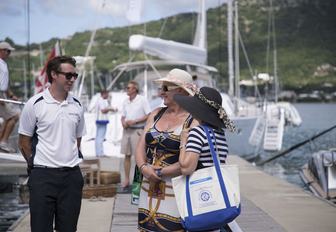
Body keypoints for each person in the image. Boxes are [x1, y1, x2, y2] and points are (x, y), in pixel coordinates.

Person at [18, 55, 86, 232]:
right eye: (68, 75)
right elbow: (23, 141)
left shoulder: (77, 105)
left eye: (75, 76)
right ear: (54, 74)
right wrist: (35, 165)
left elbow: (77, 141)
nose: (72, 79)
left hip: (71, 177)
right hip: (43, 177)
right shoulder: (35, 104)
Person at [135, 68, 197, 231]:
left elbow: (191, 159)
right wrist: (143, 169)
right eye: (160, 88)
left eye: (165, 88)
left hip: (176, 188)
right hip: (148, 185)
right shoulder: (156, 113)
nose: (160, 92)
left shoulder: (193, 120)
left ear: (180, 91)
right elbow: (140, 146)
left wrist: (160, 172)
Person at [174, 86, 236, 232]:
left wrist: (183, 141)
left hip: (200, 199)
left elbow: (187, 168)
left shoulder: (197, 132)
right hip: (216, 200)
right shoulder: (219, 134)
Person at [120, 80, 151, 189]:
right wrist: (123, 123)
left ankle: (138, 182)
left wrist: (136, 121)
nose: (127, 90)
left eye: (128, 88)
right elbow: (123, 116)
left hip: (138, 130)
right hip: (127, 131)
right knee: (126, 156)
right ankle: (127, 180)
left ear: (135, 89)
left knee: (139, 157)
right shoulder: (125, 101)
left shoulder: (142, 100)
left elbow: (149, 115)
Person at [0, 41, 20, 153]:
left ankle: (2, 142)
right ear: (1, 50)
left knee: (8, 118)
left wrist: (11, 95)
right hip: (0, 95)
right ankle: (3, 143)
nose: (9, 53)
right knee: (14, 116)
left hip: (3, 94)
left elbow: (4, 83)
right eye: (8, 51)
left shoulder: (4, 64)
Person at [95, 89, 117, 157]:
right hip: (101, 120)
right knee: (100, 137)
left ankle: (99, 152)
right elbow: (103, 110)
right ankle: (100, 153)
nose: (108, 95)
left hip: (101, 120)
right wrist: (111, 109)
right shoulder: (101, 100)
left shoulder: (102, 100)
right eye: (107, 94)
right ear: (104, 94)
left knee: (99, 137)